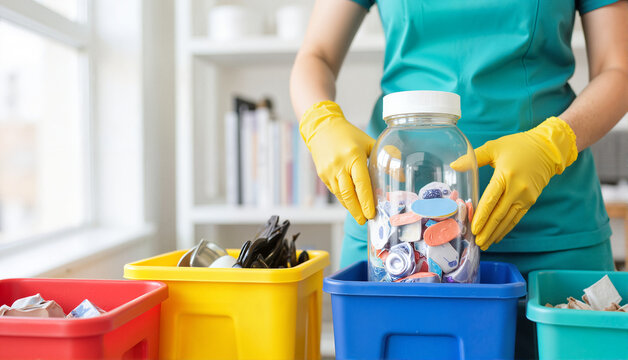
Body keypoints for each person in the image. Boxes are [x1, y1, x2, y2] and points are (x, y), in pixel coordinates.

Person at [291, 0, 628, 357]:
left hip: (553, 228)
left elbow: (618, 68)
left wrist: (554, 144)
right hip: (395, 233)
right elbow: (316, 54)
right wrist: (320, 122)